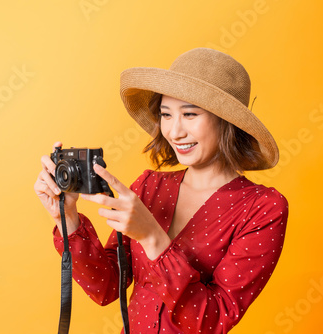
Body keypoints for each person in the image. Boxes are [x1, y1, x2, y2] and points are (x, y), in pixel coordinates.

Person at [34, 48, 289, 333]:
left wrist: (152, 236)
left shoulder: (262, 208)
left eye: (190, 114)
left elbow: (214, 320)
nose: (175, 131)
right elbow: (105, 287)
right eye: (166, 115)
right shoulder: (149, 186)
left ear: (226, 120)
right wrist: (67, 217)